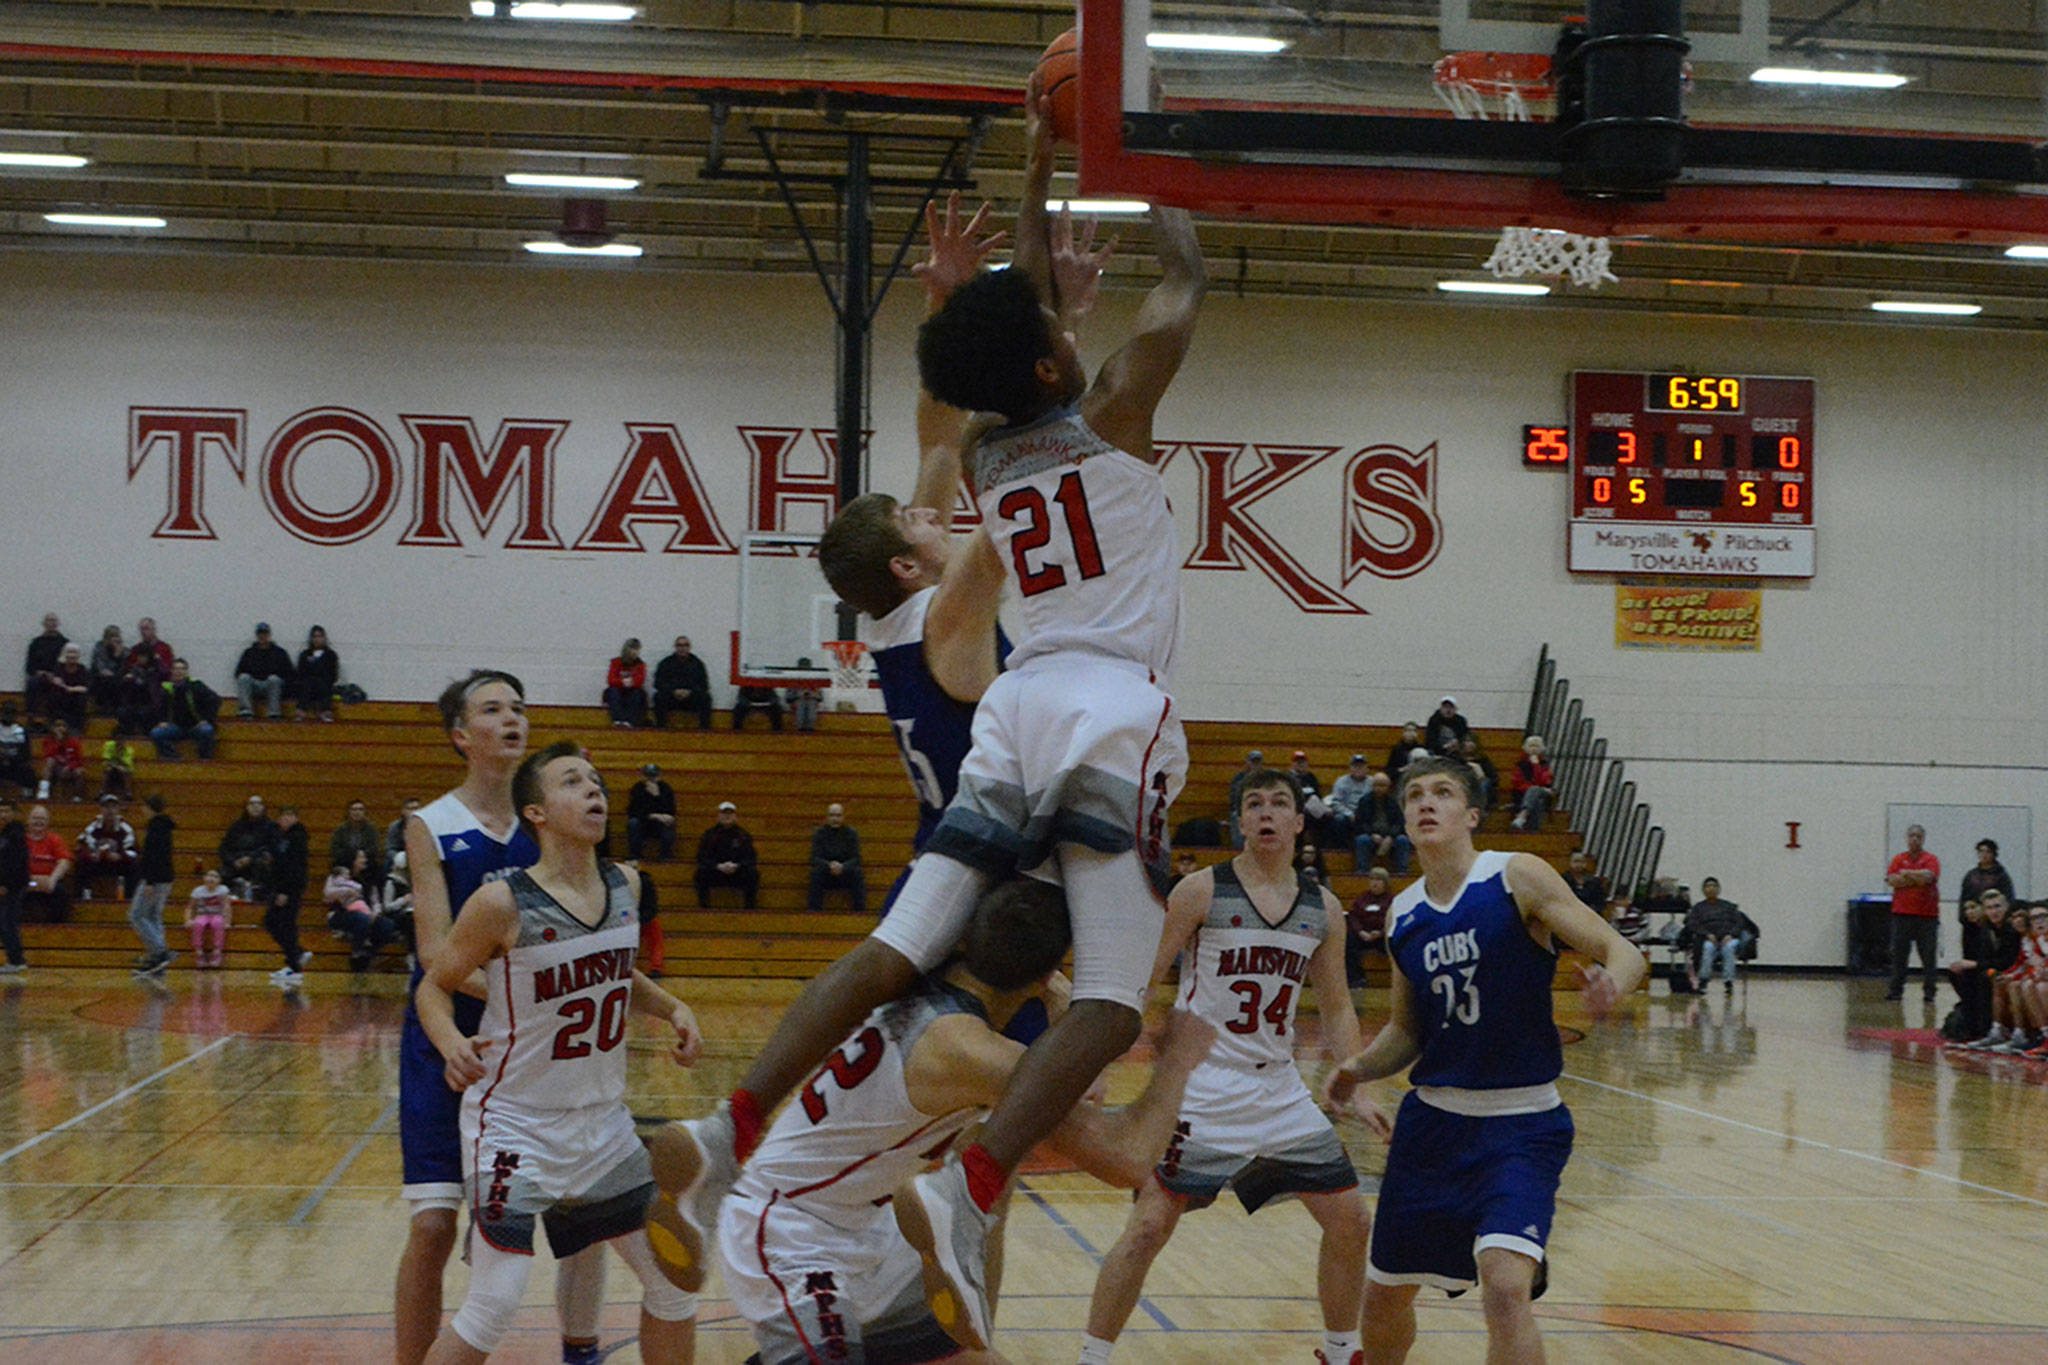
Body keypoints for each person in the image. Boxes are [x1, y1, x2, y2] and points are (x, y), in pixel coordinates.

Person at [659, 83, 1209, 1356]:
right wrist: (1167, 184)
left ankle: (719, 1133)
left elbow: (1014, 337)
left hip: (1015, 710)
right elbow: (1177, 295)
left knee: (902, 947)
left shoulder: (982, 465)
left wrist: (1041, 157)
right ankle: (968, 1193)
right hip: (1108, 706)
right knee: (1114, 1001)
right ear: (1053, 361)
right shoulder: (1112, 413)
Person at [685, 879, 1216, 1364]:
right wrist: (1177, 1061)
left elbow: (1076, 1090)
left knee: (966, 1353)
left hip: (871, 1228)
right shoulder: (973, 1053)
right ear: (1049, 969)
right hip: (790, 1233)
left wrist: (1056, 999)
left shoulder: (918, 988)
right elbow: (1126, 1156)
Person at [1322, 756, 1647, 1365]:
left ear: (1470, 814)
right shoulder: (1404, 913)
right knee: (1386, 1295)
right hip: (1433, 1128)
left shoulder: (1515, 877)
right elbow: (1406, 1030)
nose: (1425, 802)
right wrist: (1357, 1069)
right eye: (1415, 793)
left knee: (1503, 1285)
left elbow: (1621, 948)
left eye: (1442, 793)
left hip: (1522, 1125)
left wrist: (1612, 982)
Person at [413, 740, 704, 1365]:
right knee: (494, 1304)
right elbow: (433, 985)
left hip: (603, 1128)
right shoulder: (502, 903)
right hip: (515, 1126)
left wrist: (672, 1006)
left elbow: (619, 971)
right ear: (537, 814)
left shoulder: (625, 883)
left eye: (597, 780)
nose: (594, 790)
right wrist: (451, 1042)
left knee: (674, 1283)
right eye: (574, 781)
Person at [1080, 771, 1372, 1365]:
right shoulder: (1200, 891)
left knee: (1351, 1222)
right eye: (1254, 804)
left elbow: (1338, 1005)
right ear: (1239, 822)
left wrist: (1356, 1081)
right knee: (1147, 1229)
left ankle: (1343, 1354)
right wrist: (1099, 1062)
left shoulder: (1324, 909)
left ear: (1298, 822)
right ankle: (1093, 1357)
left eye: (1279, 803)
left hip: (1279, 1089)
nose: (1266, 813)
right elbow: (1143, 982)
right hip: (1202, 1088)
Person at [393, 671, 615, 1365]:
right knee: (432, 1224)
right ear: (463, 735)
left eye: (518, 706)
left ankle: (579, 1347)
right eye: (493, 708)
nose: (513, 718)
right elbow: (436, 954)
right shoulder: (433, 824)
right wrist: (530, 989)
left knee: (582, 1214)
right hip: (450, 1039)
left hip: (537, 1050)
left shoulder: (555, 815)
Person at [1885, 824, 1941, 1002]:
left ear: (1923, 838)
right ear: (1906, 838)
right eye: (1911, 836)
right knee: (1899, 956)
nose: (1914, 839)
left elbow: (1929, 877)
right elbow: (1893, 880)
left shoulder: (1931, 859)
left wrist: (1907, 874)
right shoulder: (1898, 858)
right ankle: (1896, 991)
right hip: (1901, 915)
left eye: (1918, 836)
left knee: (1928, 958)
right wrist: (1916, 878)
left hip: (1927, 917)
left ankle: (1929, 993)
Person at [127, 793, 176, 974]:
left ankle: (160, 951)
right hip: (165, 878)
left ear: (150, 807)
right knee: (154, 916)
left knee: (137, 915)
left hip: (155, 879)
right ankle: (157, 959)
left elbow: (154, 856)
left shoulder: (156, 827)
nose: (141, 810)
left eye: (144, 806)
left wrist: (149, 881)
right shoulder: (164, 826)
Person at [266, 805, 313, 988]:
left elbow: (294, 867)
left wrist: (285, 891)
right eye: (284, 816)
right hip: (281, 887)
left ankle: (295, 963)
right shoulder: (281, 837)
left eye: (291, 816)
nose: (287, 819)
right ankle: (296, 956)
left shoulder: (297, 837)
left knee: (282, 922)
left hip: (290, 889)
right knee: (276, 922)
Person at [327, 856, 400, 972]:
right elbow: (328, 895)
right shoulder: (338, 877)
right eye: (361, 858)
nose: (365, 860)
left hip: (365, 913)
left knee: (387, 925)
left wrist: (375, 913)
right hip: (341, 913)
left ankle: (370, 953)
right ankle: (358, 950)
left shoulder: (368, 880)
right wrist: (346, 891)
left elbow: (375, 900)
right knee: (361, 919)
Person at [1685, 877, 1748, 995]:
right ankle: (1703, 981)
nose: (1711, 889)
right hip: (1709, 938)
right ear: (1703, 890)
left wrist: (1731, 935)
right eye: (1708, 886)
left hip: (1729, 938)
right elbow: (1693, 924)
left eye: (1714, 886)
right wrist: (1707, 934)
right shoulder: (1698, 908)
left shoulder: (1728, 906)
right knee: (1708, 949)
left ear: (1718, 889)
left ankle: (1728, 982)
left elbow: (1740, 923)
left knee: (1729, 949)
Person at [694, 801, 759, 909]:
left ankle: (750, 908)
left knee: (753, 875)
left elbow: (751, 858)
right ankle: (704, 907)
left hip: (737, 872)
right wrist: (717, 866)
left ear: (735, 817)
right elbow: (702, 857)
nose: (727, 816)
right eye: (724, 814)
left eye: (730, 814)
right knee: (700, 874)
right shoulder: (709, 835)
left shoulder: (743, 835)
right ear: (718, 817)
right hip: (716, 872)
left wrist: (737, 865)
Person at [152, 658, 220, 760]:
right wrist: (162, 721)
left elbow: (216, 700)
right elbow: (160, 708)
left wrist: (206, 719)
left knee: (207, 731)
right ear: (172, 671)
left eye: (182, 669)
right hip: (176, 728)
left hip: (196, 727)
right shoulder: (166, 689)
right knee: (156, 733)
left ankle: (204, 758)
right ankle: (172, 756)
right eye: (176, 669)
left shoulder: (196, 685)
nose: (179, 672)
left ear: (186, 671)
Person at [73, 794, 137, 901]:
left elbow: (133, 852)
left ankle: (129, 897)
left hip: (117, 864)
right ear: (101, 810)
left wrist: (120, 856)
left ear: (118, 810)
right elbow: (80, 847)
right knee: (80, 864)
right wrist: (92, 855)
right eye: (106, 807)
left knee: (134, 867)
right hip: (98, 863)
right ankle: (83, 896)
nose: (110, 811)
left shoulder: (125, 829)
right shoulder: (92, 828)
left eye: (113, 807)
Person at [806, 802, 866, 912]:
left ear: (843, 817)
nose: (835, 819)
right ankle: (814, 912)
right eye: (832, 815)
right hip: (826, 873)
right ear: (827, 817)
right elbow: (814, 858)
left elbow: (856, 858)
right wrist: (829, 866)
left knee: (857, 874)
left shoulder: (851, 833)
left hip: (845, 874)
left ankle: (859, 912)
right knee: (815, 874)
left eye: (838, 816)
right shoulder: (819, 833)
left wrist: (843, 867)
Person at [218, 794, 279, 901]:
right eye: (252, 804)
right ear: (246, 808)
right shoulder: (236, 826)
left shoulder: (271, 826)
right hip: (236, 863)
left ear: (263, 807)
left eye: (258, 804)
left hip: (257, 862)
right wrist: (233, 861)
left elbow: (271, 847)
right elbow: (224, 848)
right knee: (219, 874)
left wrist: (250, 858)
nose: (255, 806)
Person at [1352, 772, 1411, 875]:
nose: (1379, 788)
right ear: (1372, 786)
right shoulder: (1364, 801)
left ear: (1388, 787)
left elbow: (1400, 823)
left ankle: (1403, 871)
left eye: (1382, 786)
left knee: (1403, 840)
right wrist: (1372, 834)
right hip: (1371, 835)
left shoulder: (1394, 802)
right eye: (1376, 785)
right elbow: (1360, 823)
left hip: (1390, 836)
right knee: (1362, 840)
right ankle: (1362, 871)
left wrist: (1390, 837)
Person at [1345, 866, 1394, 988]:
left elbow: (1394, 919)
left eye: (1379, 880)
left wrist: (1381, 932)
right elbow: (1353, 917)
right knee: (1348, 942)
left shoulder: (1393, 900)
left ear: (1385, 883)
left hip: (1383, 936)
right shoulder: (1362, 898)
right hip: (1364, 935)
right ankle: (1357, 979)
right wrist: (1360, 931)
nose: (1375, 883)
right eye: (1372, 879)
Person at [234, 623, 294, 720]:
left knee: (274, 679)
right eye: (260, 634)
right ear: (257, 635)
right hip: (254, 686)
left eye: (265, 633)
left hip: (273, 686)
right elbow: (239, 672)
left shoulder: (280, 653)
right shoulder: (248, 653)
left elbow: (289, 673)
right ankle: (246, 711)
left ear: (269, 635)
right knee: (243, 678)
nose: (262, 636)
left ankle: (274, 712)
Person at [651, 636, 713, 730]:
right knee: (658, 697)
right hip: (671, 698)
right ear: (675, 647)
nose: (682, 648)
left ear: (689, 647)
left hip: (691, 699)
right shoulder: (665, 663)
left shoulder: (697, 663)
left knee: (706, 698)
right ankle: (661, 728)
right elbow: (658, 683)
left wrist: (689, 692)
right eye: (679, 645)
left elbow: (704, 685)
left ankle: (705, 729)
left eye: (685, 645)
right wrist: (673, 691)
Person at [625, 764, 678, 862]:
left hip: (660, 825)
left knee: (669, 823)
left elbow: (670, 810)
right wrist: (653, 815)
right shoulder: (638, 788)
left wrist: (657, 796)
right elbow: (633, 811)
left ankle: (665, 856)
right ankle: (635, 855)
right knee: (633, 823)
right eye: (648, 776)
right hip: (643, 823)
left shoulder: (665, 788)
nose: (651, 780)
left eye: (653, 776)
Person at [330, 798, 385, 891]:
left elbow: (374, 848)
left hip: (366, 863)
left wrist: (361, 859)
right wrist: (354, 857)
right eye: (354, 809)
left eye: (360, 809)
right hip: (345, 862)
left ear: (364, 812)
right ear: (349, 812)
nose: (357, 812)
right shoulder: (341, 830)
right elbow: (335, 850)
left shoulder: (371, 829)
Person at [0, 799, 29, 973]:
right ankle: (15, 959)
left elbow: (15, 864)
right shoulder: (4, 834)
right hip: (6, 886)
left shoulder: (16, 834)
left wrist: (5, 885)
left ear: (13, 813)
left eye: (6, 811)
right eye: (0, 811)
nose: (2, 815)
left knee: (7, 922)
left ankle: (16, 960)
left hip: (14, 887)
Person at [22, 613, 67, 724]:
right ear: (44, 624)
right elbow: (29, 665)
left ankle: (54, 719)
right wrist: (39, 672)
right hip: (39, 676)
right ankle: (31, 716)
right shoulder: (36, 643)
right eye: (48, 620)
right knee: (31, 683)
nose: (51, 623)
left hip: (57, 676)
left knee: (57, 687)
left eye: (53, 620)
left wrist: (54, 674)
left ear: (57, 624)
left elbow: (66, 663)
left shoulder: (65, 643)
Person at [185, 867, 233, 968]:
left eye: (215, 876)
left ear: (219, 880)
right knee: (197, 924)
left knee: (218, 923)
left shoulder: (223, 890)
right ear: (204, 878)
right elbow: (190, 907)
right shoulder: (198, 891)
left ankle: (217, 951)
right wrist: (188, 919)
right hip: (202, 915)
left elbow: (226, 906)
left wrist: (228, 921)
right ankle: (199, 952)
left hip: (217, 914)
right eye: (209, 875)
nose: (211, 879)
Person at [1507, 735, 1555, 832]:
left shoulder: (1544, 764)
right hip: (1524, 793)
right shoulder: (1520, 764)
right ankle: (1532, 829)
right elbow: (1517, 783)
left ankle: (1522, 816)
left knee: (1535, 792)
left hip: (1542, 792)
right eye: (1531, 746)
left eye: (1537, 746)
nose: (1534, 749)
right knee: (1536, 798)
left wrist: (1536, 766)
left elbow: (1545, 781)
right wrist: (1534, 788)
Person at [1326, 754, 1374, 846]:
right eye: (1355, 766)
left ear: (1367, 768)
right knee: (1339, 820)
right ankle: (1343, 848)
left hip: (1366, 815)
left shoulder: (1372, 782)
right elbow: (1336, 802)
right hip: (1347, 815)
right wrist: (1349, 814)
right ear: (1350, 768)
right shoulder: (1341, 781)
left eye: (1361, 766)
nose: (1358, 769)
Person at [295, 625, 340, 721]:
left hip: (324, 684)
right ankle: (301, 711)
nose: (317, 639)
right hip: (307, 684)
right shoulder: (305, 654)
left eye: (319, 636)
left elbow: (333, 674)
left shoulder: (330, 655)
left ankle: (325, 711)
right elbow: (301, 672)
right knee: (307, 683)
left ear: (324, 638)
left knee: (322, 683)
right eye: (314, 636)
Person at [36, 718, 86, 803]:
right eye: (58, 726)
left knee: (80, 771)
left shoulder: (74, 741)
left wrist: (69, 767)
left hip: (70, 768)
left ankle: (77, 797)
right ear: (53, 728)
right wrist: (58, 742)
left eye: (63, 726)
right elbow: (49, 755)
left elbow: (79, 760)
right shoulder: (48, 741)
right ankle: (43, 791)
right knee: (50, 762)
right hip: (55, 767)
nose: (60, 728)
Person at [43, 645, 90, 733]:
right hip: (61, 696)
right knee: (53, 696)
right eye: (69, 652)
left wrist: (70, 689)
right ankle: (54, 726)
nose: (72, 656)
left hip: (75, 696)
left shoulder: (82, 669)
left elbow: (85, 688)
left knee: (81, 699)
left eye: (74, 653)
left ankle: (75, 728)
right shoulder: (58, 668)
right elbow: (55, 680)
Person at [1957, 839, 2015, 911]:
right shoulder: (1971, 875)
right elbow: (1964, 899)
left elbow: (2008, 899)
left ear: (1994, 854)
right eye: (1981, 851)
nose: (1984, 855)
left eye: (1988, 852)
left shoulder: (2001, 875)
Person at [605, 638, 649, 729]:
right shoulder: (616, 662)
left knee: (637, 693)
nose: (634, 652)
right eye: (632, 649)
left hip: (632, 690)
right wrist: (623, 682)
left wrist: (631, 683)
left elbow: (640, 680)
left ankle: (629, 721)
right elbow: (611, 679)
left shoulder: (640, 664)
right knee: (613, 692)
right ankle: (617, 720)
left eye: (637, 650)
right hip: (618, 690)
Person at [1226, 750, 1265, 847]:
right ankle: (1239, 849)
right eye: (1253, 762)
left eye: (1258, 762)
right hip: (1243, 810)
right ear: (1247, 763)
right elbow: (1234, 797)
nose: (1255, 765)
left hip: (1261, 810)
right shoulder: (1239, 778)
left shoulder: (1266, 778)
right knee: (1236, 816)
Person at [88, 625, 127, 714]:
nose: (115, 640)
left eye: (117, 636)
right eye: (112, 637)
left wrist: (119, 656)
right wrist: (115, 658)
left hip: (118, 678)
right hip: (100, 679)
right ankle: (105, 708)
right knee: (107, 681)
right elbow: (101, 668)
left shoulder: (124, 650)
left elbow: (125, 668)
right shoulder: (99, 648)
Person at [126, 617, 175, 684]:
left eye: (146, 628)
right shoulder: (135, 649)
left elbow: (170, 669)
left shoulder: (164, 648)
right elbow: (130, 667)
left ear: (154, 630)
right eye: (141, 629)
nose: (143, 632)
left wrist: (158, 660)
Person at [0, 704, 34, 795]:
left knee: (27, 771)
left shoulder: (21, 730)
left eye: (11, 714)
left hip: (15, 764)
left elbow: (26, 752)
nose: (8, 716)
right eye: (6, 713)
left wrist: (12, 759)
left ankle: (27, 795)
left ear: (15, 715)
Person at [1563, 850, 1608, 917]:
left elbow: (1601, 902)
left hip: (1590, 915)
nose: (1579, 865)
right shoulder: (1563, 880)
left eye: (1582, 862)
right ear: (1569, 862)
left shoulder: (1594, 881)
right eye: (1576, 861)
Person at [1459, 737, 1498, 814]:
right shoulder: (1458, 760)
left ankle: (1479, 806)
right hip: (1463, 782)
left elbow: (1494, 778)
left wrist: (1481, 775)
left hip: (1480, 783)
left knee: (1484, 784)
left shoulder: (1483, 760)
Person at [98, 733, 136, 801]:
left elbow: (127, 763)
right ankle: (102, 792)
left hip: (123, 769)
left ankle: (128, 793)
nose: (120, 743)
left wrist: (119, 754)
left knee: (126, 772)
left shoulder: (129, 750)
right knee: (108, 770)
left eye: (122, 741)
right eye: (118, 741)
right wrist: (114, 765)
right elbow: (107, 759)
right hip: (111, 766)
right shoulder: (108, 745)